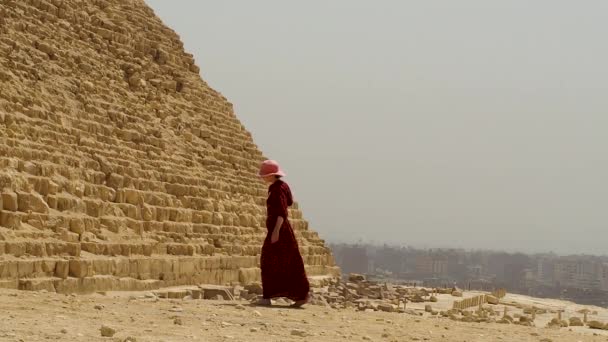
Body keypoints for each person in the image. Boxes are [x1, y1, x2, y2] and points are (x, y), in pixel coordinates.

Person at [256, 160, 310, 307]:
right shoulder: (283, 186)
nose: (262, 178)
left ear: (271, 175)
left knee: (268, 260)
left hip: (279, 230)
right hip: (285, 231)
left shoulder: (276, 189)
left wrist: (275, 232)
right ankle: (300, 295)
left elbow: (281, 212)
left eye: (264, 175)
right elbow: (290, 202)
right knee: (290, 262)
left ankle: (267, 297)